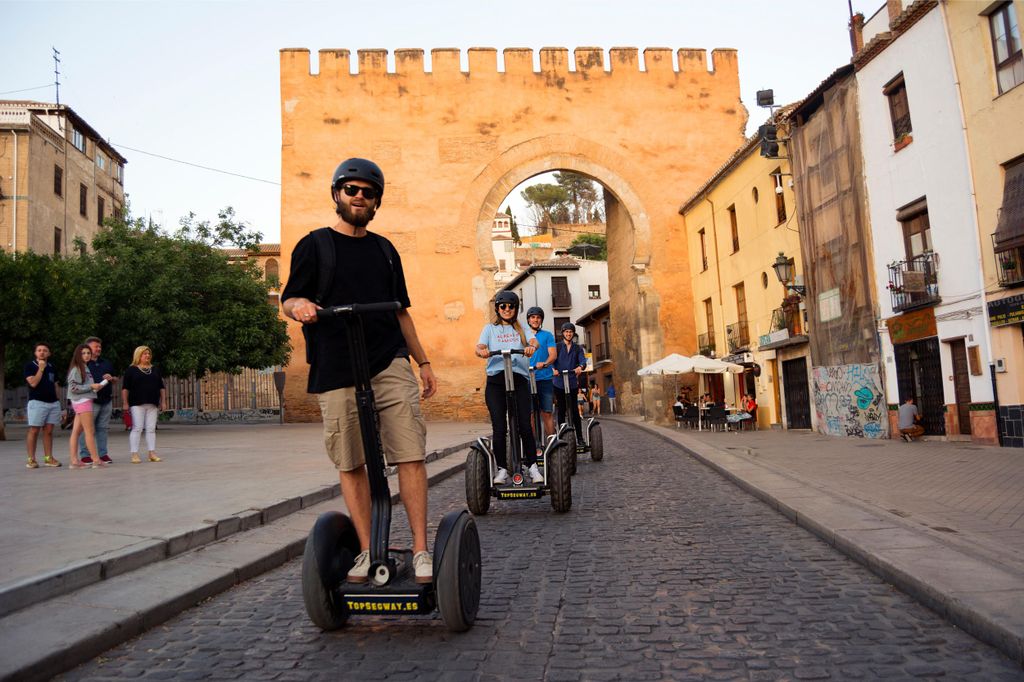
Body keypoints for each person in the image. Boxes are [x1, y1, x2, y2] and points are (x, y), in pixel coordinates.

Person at [281, 157, 438, 586]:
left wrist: (422, 361)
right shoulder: (314, 245)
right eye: (351, 190)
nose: (359, 197)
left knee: (410, 452)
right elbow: (289, 298)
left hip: (388, 361)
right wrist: (301, 308)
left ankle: (422, 550)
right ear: (337, 194)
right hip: (335, 365)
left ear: (376, 201)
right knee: (350, 461)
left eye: (367, 192)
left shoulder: (385, 250)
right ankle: (369, 550)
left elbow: (401, 313)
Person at [477, 291, 541, 484]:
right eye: (503, 306)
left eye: (510, 306)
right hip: (496, 380)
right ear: (497, 308)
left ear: (515, 309)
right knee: (499, 426)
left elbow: (533, 341)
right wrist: (482, 351)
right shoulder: (489, 329)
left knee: (524, 425)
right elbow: (479, 347)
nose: (507, 309)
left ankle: (532, 466)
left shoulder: (522, 330)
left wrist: (531, 347)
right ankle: (502, 469)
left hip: (519, 379)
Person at [122, 346, 167, 463]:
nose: (147, 356)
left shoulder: (155, 369)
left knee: (151, 429)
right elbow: (125, 388)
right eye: (144, 354)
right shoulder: (131, 370)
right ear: (138, 355)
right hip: (137, 403)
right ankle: (134, 454)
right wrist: (125, 402)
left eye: (148, 354)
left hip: (152, 403)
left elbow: (161, 387)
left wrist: (163, 401)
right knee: (137, 428)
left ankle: (152, 453)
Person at [78, 336, 117, 465]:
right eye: (96, 346)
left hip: (106, 400)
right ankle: (85, 455)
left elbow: (115, 379)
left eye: (100, 346)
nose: (99, 349)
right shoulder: (82, 365)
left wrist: (111, 378)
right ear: (87, 348)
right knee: (87, 429)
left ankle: (103, 454)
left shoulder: (106, 363)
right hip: (90, 401)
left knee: (103, 428)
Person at [66, 344, 106, 469]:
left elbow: (82, 387)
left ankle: (74, 461)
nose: (87, 355)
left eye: (88, 353)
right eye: (83, 353)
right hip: (82, 402)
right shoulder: (77, 369)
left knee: (76, 432)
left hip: (82, 401)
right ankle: (96, 460)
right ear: (78, 355)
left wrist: (95, 387)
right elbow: (73, 388)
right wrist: (91, 387)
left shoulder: (84, 368)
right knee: (90, 431)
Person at [24, 342, 63, 468]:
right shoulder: (30, 366)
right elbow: (33, 383)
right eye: (39, 350)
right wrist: (41, 368)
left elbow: (56, 385)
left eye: (45, 350)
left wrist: (59, 403)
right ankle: (31, 459)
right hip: (37, 403)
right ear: (35, 353)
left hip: (53, 403)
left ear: (49, 353)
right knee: (34, 430)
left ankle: (48, 458)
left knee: (49, 431)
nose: (42, 352)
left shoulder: (52, 367)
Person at [525, 306, 557, 448]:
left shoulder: (547, 335)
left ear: (541, 320)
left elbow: (553, 355)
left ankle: (552, 446)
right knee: (530, 415)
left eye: (538, 317)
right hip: (527, 379)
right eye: (533, 317)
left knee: (547, 413)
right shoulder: (523, 336)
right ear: (528, 320)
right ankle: (534, 447)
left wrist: (544, 363)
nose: (535, 320)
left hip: (544, 378)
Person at [552, 322, 587, 444]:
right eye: (566, 332)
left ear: (573, 334)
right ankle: (561, 437)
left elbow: (583, 361)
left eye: (570, 332)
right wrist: (553, 369)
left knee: (574, 411)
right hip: (559, 382)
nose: (568, 334)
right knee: (561, 410)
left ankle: (580, 438)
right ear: (563, 333)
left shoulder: (578, 348)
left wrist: (580, 367)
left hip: (572, 381)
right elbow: (551, 359)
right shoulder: (557, 347)